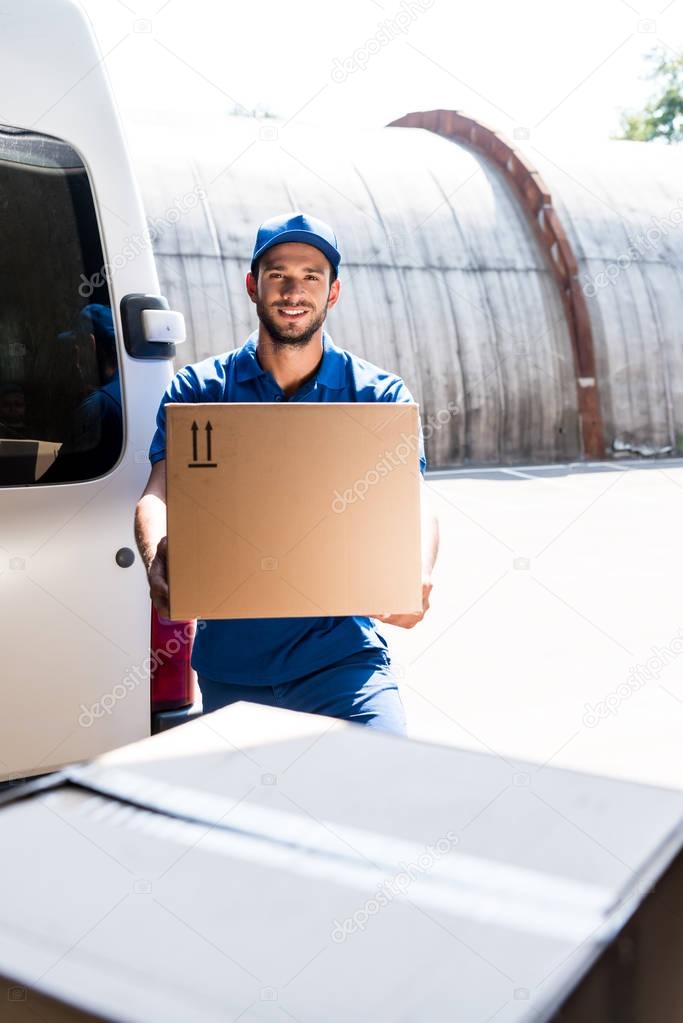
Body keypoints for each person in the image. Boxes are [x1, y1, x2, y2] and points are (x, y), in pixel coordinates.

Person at [135, 212, 439, 735]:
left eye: (311, 277)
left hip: (343, 665)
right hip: (233, 674)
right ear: (253, 286)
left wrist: (418, 571)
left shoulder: (377, 396)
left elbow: (413, 497)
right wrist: (154, 557)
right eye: (278, 275)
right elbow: (157, 493)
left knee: (385, 789)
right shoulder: (200, 389)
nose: (294, 291)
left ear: (334, 292)